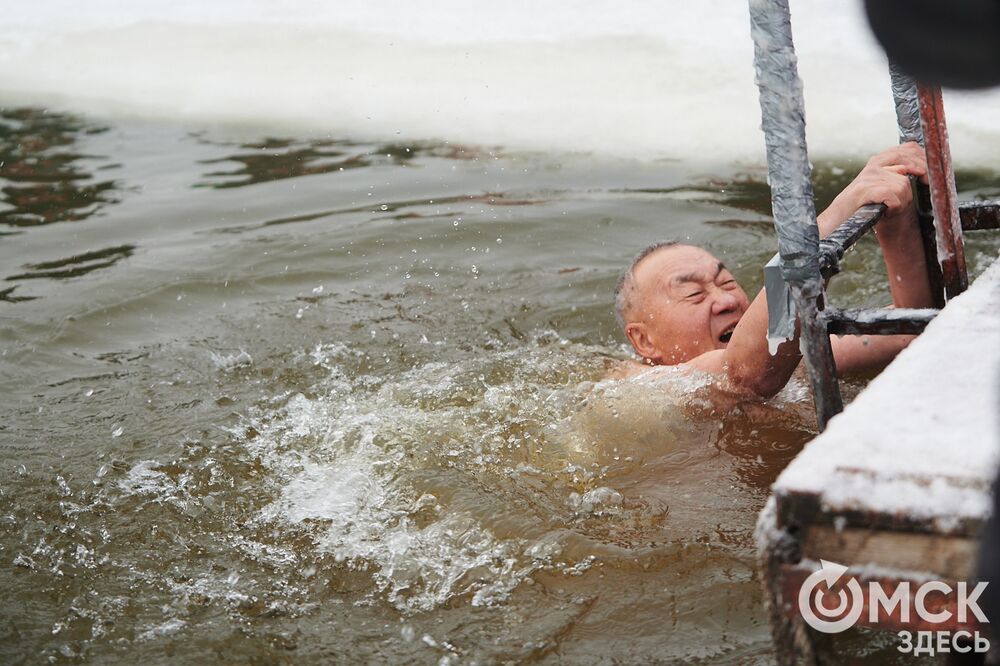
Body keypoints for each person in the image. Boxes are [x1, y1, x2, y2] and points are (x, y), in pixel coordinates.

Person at [613, 142, 934, 397]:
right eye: (694, 294)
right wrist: (844, 207)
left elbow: (910, 326)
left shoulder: (791, 358)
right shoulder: (638, 389)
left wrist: (895, 213)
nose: (727, 301)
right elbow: (745, 376)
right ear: (644, 340)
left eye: (726, 282)